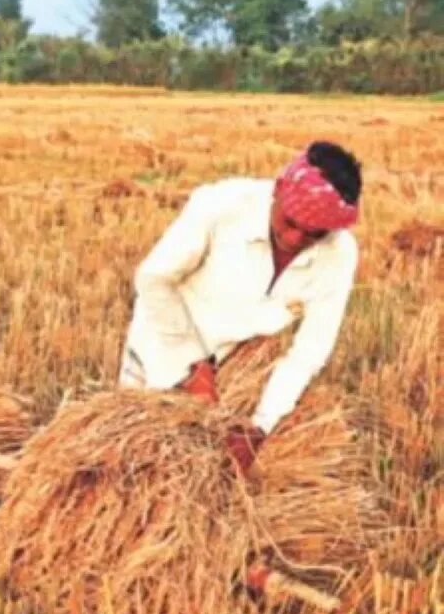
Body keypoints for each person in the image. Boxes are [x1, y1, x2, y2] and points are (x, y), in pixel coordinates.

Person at [118, 141, 363, 472]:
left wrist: (261, 425)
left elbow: (310, 350)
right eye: (290, 222)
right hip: (164, 342)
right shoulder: (222, 205)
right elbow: (154, 279)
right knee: (136, 465)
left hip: (235, 373)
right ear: (278, 190)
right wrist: (192, 364)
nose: (294, 239)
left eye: (313, 234)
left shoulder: (338, 254)